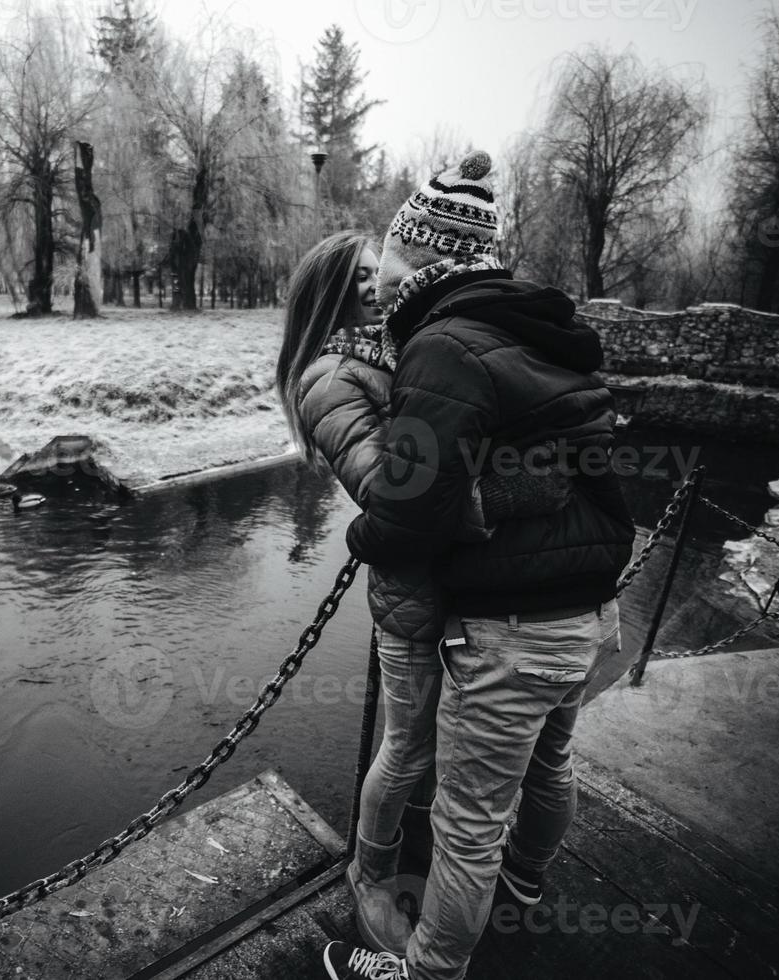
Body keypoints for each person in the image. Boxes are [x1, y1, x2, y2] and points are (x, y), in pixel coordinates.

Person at [319, 152, 634, 980]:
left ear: (419, 253)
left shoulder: (443, 347)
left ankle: (425, 971)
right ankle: (528, 885)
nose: (376, 277)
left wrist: (363, 540)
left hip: (514, 631)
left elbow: (408, 510)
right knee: (552, 764)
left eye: (387, 253)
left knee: (466, 826)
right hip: (592, 610)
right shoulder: (536, 334)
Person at [276, 231, 574, 955]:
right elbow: (391, 496)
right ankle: (369, 873)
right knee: (407, 747)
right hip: (414, 591)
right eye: (365, 279)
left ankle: (439, 861)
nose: (384, 288)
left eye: (384, 273)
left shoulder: (404, 350)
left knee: (451, 749)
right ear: (332, 297)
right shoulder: (328, 376)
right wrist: (512, 491)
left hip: (472, 587)